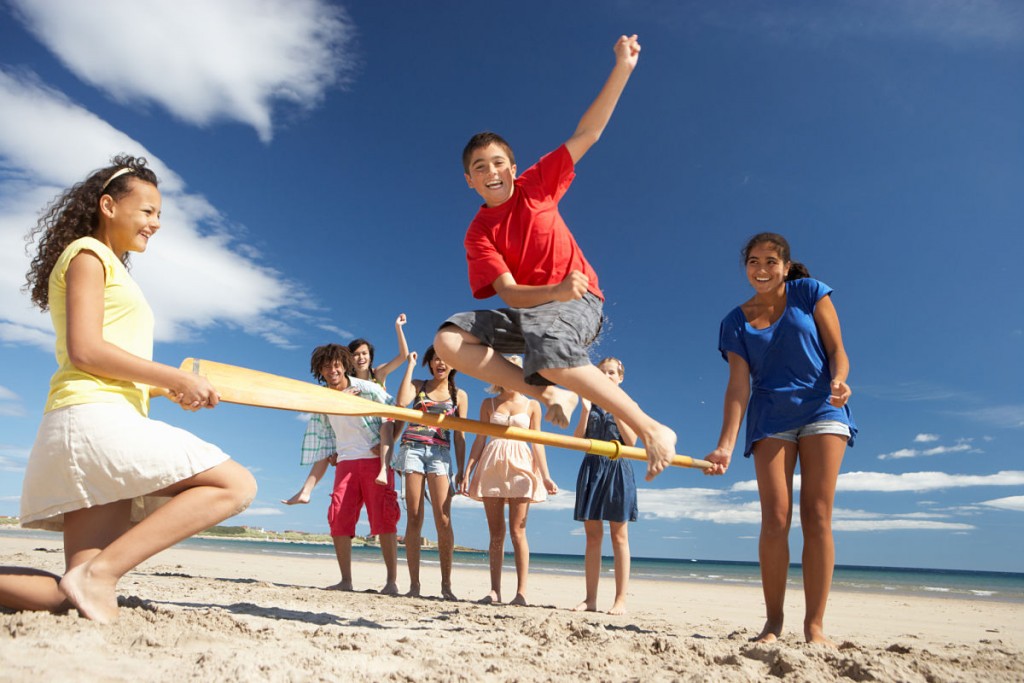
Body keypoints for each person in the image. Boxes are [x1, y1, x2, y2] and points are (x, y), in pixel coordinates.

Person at [0, 156, 257, 623]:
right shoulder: (87, 254)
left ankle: (95, 578)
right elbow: (85, 351)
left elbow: (107, 359)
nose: (156, 224)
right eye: (147, 211)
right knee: (234, 483)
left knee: (71, 593)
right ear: (108, 206)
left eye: (159, 215)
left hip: (97, 423)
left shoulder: (111, 266)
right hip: (93, 420)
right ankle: (102, 576)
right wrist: (175, 377)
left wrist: (160, 390)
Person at [433, 34, 677, 482]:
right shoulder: (479, 232)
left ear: (513, 166)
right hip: (532, 308)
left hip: (580, 302)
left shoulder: (537, 185)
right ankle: (541, 391)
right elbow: (508, 293)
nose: (492, 172)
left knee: (548, 341)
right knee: (448, 340)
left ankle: (651, 426)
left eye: (498, 162)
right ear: (468, 180)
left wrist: (622, 66)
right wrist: (551, 290)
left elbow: (589, 132)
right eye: (480, 167)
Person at [705, 232, 857, 647]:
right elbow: (738, 387)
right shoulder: (734, 321)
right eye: (753, 261)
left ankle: (814, 627)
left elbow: (837, 350)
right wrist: (724, 443)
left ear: (786, 267)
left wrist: (840, 380)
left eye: (771, 261)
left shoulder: (809, 293)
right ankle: (773, 623)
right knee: (775, 519)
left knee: (818, 515)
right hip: (770, 417)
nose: (762, 269)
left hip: (823, 408)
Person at [281, 344, 401, 594]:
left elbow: (394, 414)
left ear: (344, 365)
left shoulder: (367, 388)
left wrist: (385, 448)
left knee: (384, 520)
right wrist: (308, 487)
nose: (332, 370)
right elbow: (323, 444)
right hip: (345, 464)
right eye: (326, 366)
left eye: (336, 364)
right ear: (320, 371)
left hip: (372, 461)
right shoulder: (324, 399)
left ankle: (391, 582)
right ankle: (346, 581)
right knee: (338, 520)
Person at [460, 355, 557, 606]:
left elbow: (538, 442)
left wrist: (545, 477)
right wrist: (468, 470)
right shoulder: (488, 403)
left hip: (522, 465)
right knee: (496, 533)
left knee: (518, 531)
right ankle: (495, 591)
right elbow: (480, 438)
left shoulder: (532, 405)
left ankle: (521, 592)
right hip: (493, 464)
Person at [392, 346, 468, 599]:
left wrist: (461, 470)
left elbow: (460, 436)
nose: (440, 362)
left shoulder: (460, 395)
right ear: (429, 362)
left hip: (440, 455)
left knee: (443, 519)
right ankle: (414, 585)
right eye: (435, 358)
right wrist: (410, 365)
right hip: (411, 449)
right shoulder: (418, 384)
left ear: (454, 364)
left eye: (445, 359)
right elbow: (401, 403)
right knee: (414, 517)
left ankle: (446, 586)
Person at [572, 357, 638, 615]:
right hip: (591, 468)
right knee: (592, 537)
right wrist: (586, 410)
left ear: (620, 377)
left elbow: (632, 443)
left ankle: (620, 599)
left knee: (619, 536)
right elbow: (577, 441)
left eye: (612, 373)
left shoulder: (628, 404)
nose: (607, 376)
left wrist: (618, 408)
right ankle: (590, 599)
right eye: (603, 372)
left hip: (617, 469)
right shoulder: (590, 402)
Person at [349, 313, 410, 389]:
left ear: (370, 357)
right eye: (356, 354)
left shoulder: (378, 373)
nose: (361, 357)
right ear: (350, 359)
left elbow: (403, 356)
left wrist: (398, 327)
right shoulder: (347, 380)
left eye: (364, 353)